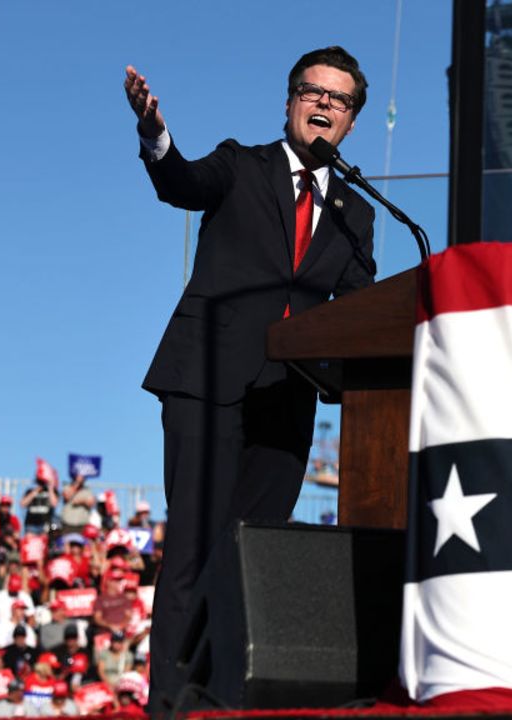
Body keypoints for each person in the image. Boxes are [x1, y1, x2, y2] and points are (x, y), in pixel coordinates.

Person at [123, 45, 376, 708]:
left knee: (251, 557)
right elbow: (181, 182)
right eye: (311, 91)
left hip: (289, 398)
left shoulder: (360, 215)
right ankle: (171, 704)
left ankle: (224, 701)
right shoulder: (240, 164)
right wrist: (155, 133)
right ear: (291, 103)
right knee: (195, 548)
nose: (323, 103)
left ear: (351, 121)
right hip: (207, 379)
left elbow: (358, 307)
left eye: (338, 98)